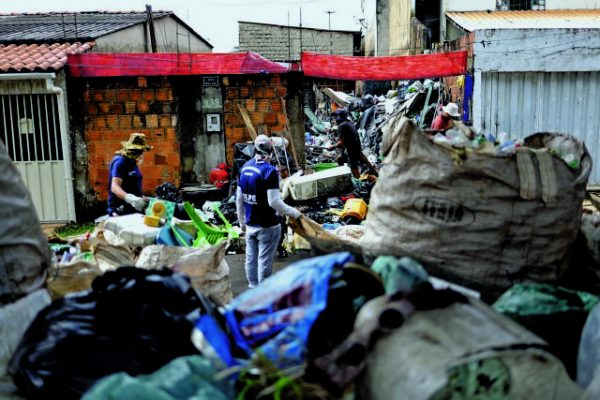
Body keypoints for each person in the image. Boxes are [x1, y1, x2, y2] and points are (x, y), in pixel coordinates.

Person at [236, 135, 301, 288]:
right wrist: (294, 213)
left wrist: (241, 222)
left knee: (251, 258)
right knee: (264, 259)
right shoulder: (269, 171)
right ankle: (263, 291)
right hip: (267, 225)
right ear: (270, 150)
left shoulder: (245, 167)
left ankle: (253, 286)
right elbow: (274, 201)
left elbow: (239, 199)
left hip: (250, 223)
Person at [107, 133, 152, 216]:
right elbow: (114, 187)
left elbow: (131, 185)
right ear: (132, 150)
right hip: (121, 209)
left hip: (134, 208)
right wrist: (131, 199)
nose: (142, 154)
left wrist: (144, 199)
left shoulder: (132, 162)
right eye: (140, 152)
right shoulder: (120, 162)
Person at [329, 109, 378, 179]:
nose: (334, 120)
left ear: (339, 117)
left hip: (351, 149)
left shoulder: (341, 126)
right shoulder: (348, 123)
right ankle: (376, 174)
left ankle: (360, 180)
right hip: (357, 146)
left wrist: (332, 147)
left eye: (335, 117)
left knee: (354, 169)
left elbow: (340, 143)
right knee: (340, 159)